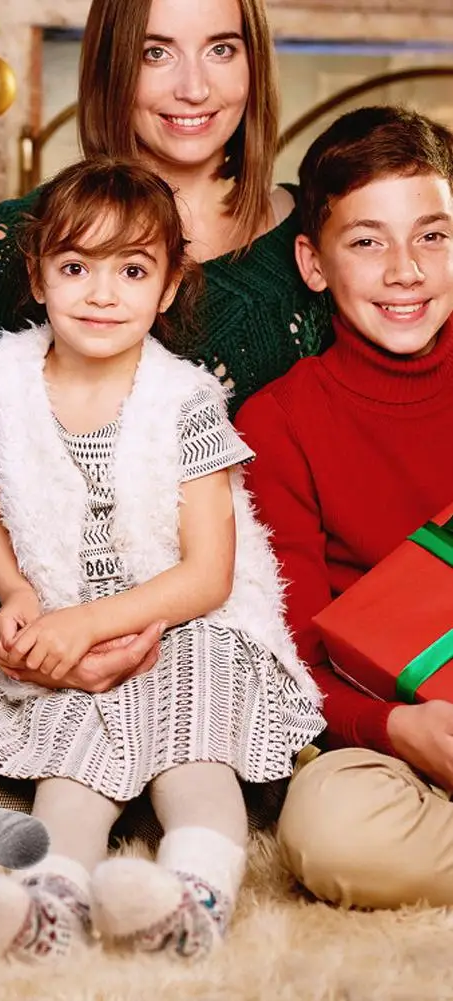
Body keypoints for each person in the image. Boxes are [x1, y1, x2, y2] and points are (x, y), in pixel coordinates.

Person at [0, 0, 333, 813]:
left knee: (212, 816)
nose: (193, 86)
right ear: (110, 62)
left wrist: (159, 621)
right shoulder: (25, 238)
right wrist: (13, 628)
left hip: (221, 640)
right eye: (155, 53)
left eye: (221, 50)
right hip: (46, 636)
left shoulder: (313, 244)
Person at [0, 156, 324, 961]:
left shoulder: (184, 400)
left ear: (169, 285)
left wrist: (89, 623)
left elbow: (207, 574)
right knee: (69, 774)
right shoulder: (2, 380)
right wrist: (14, 593)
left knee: (193, 763)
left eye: (132, 270)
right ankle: (49, 904)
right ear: (38, 277)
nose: (101, 293)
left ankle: (192, 897)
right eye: (74, 267)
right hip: (64, 619)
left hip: (188, 622)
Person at [234, 105, 453, 910]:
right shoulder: (277, 422)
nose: (405, 271)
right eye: (366, 241)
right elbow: (294, 662)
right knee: (329, 830)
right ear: (313, 262)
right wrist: (396, 729)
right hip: (392, 742)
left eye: (432, 235)